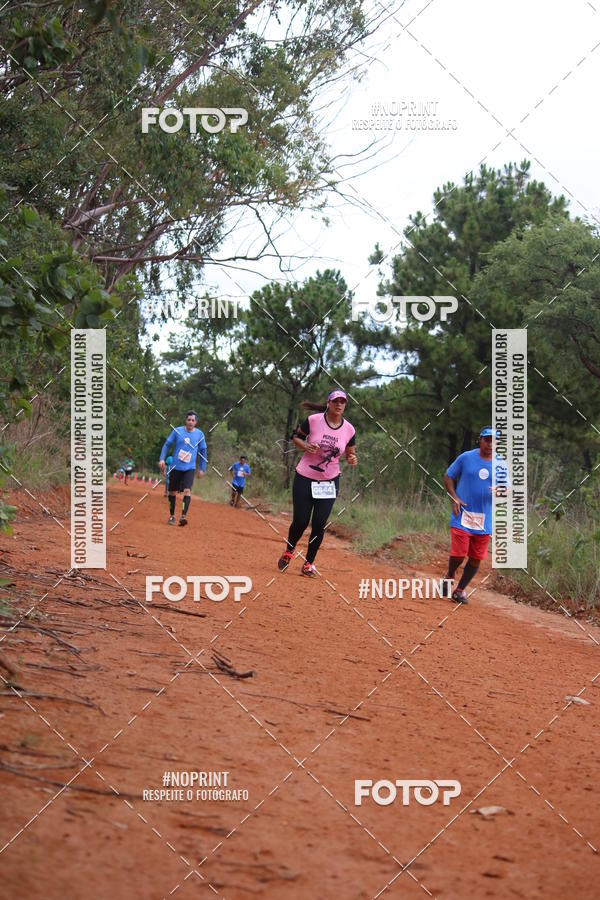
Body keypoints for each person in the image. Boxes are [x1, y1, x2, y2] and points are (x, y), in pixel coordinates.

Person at [278, 390, 357, 577]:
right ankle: (289, 550)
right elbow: (295, 437)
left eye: (342, 402)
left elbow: (350, 453)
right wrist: (305, 446)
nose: (339, 405)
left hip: (329, 482)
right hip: (305, 476)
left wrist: (352, 458)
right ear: (328, 403)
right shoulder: (313, 420)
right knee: (301, 520)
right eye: (335, 401)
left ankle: (308, 563)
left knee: (319, 523)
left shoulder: (349, 429)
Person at [442, 426, 508, 603]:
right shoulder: (466, 458)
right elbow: (448, 476)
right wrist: (454, 497)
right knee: (459, 554)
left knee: (476, 558)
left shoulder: (501, 464)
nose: (490, 444)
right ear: (480, 439)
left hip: (484, 519)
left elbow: (507, 489)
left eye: (494, 441)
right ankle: (449, 575)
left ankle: (460, 590)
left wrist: (500, 490)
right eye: (487, 440)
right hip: (462, 514)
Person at [158, 411, 207, 526]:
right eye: (188, 420)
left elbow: (203, 451)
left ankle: (183, 516)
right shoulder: (177, 431)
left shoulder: (200, 435)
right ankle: (172, 516)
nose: (190, 422)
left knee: (187, 490)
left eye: (193, 420)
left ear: (196, 422)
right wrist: (161, 459)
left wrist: (202, 468)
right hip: (176, 467)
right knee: (172, 492)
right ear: (185, 421)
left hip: (189, 468)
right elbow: (167, 445)